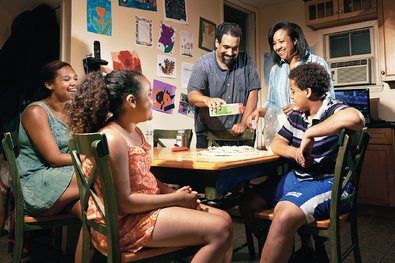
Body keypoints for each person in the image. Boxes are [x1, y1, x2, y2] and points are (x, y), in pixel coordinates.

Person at [68, 70, 233, 262]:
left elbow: (143, 175)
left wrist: (169, 191)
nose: (152, 100)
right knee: (218, 229)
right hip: (125, 223)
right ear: (131, 101)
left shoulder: (134, 131)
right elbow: (124, 203)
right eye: (148, 94)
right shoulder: (113, 138)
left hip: (141, 211)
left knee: (226, 219)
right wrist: (173, 199)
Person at [240, 63, 365, 263]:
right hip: (299, 178)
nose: (290, 96)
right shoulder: (297, 115)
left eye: (293, 91)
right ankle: (279, 249)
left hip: (328, 181)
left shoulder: (332, 109)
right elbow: (277, 143)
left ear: (307, 91)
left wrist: (310, 132)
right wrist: (296, 153)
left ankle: (278, 245)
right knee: (247, 203)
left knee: (284, 214)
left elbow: (356, 117)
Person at [16, 60, 80, 217]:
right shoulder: (36, 112)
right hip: (36, 184)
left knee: (95, 213)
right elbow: (55, 159)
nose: (73, 83)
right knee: (100, 172)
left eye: (75, 78)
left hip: (61, 177)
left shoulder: (72, 112)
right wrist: (87, 158)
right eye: (66, 79)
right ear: (49, 85)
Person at [188, 22, 260, 148]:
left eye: (235, 48)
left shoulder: (246, 61)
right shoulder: (203, 64)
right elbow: (192, 95)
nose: (230, 52)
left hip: (240, 137)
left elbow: (253, 93)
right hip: (208, 137)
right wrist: (207, 100)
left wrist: (243, 123)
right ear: (217, 43)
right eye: (226, 47)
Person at [249, 21, 335, 125]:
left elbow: (329, 99)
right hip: (284, 129)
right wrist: (259, 111)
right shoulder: (275, 70)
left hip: (310, 128)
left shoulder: (316, 63)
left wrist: (300, 107)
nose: (277, 47)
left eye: (281, 41)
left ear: (294, 40)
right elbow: (272, 103)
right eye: (274, 43)